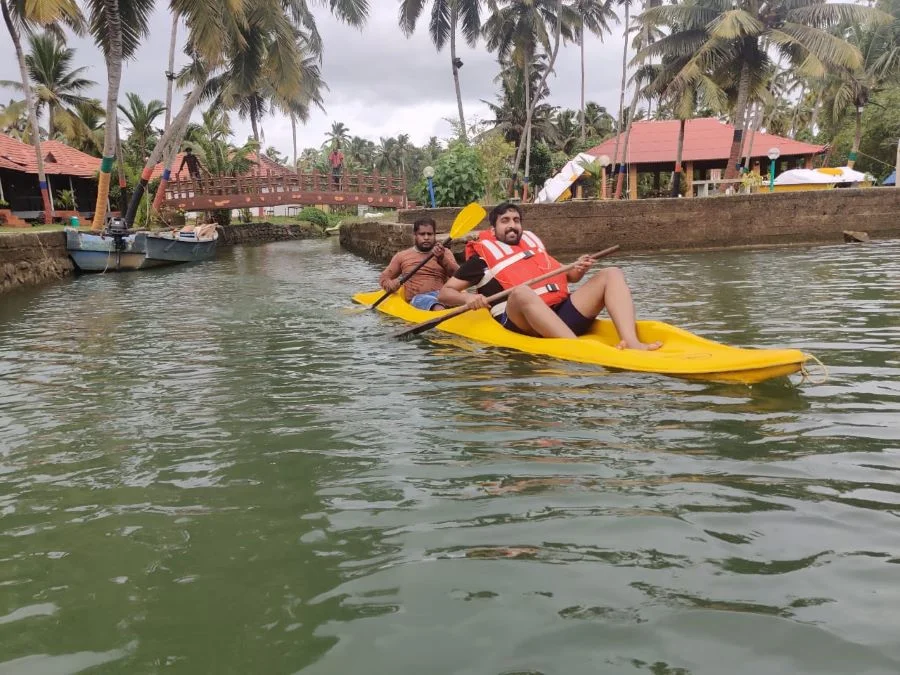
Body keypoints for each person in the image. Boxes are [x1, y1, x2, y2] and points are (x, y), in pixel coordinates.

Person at [437, 202, 661, 350]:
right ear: (493, 230)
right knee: (522, 292)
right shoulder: (481, 261)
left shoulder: (534, 248)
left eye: (516, 220)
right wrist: (468, 299)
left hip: (560, 315)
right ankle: (578, 350)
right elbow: (445, 293)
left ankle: (631, 342)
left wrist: (579, 268)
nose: (512, 225)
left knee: (611, 273)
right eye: (505, 221)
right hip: (524, 324)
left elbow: (569, 277)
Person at [379, 217, 459, 311]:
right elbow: (384, 278)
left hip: (442, 294)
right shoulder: (401, 256)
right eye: (422, 234)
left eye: (430, 234)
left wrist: (442, 258)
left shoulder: (445, 252)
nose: (426, 238)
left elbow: (459, 275)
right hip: (419, 299)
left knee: (468, 298)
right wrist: (390, 285)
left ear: (434, 235)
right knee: (437, 306)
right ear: (415, 235)